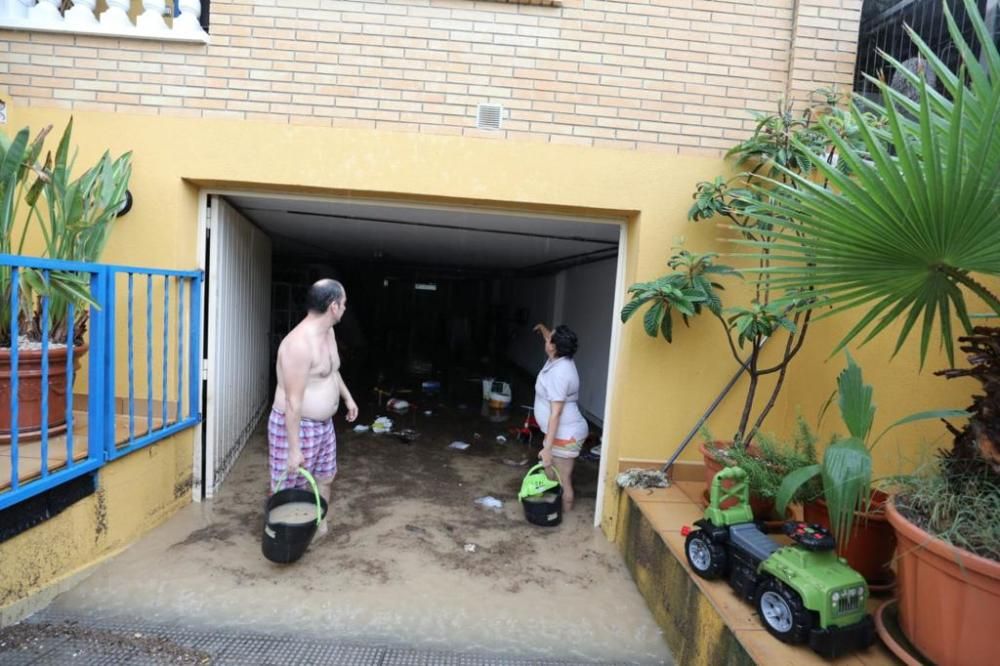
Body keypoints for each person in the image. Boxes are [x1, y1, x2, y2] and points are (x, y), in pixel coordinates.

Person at [269, 279, 358, 541]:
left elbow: (331, 370)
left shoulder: (328, 332)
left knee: (326, 477)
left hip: (324, 425)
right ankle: (283, 536)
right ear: (333, 306)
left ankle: (319, 526)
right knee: (289, 484)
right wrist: (294, 449)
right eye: (343, 303)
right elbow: (292, 403)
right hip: (298, 424)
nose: (345, 308)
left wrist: (347, 398)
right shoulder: (298, 344)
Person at [532, 323, 589, 513]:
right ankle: (558, 516)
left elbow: (556, 413)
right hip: (564, 431)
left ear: (554, 347)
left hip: (566, 433)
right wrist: (542, 329)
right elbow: (552, 338)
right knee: (551, 475)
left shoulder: (559, 374)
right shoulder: (560, 357)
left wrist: (547, 449)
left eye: (550, 339)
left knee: (562, 479)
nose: (547, 339)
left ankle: (566, 519)